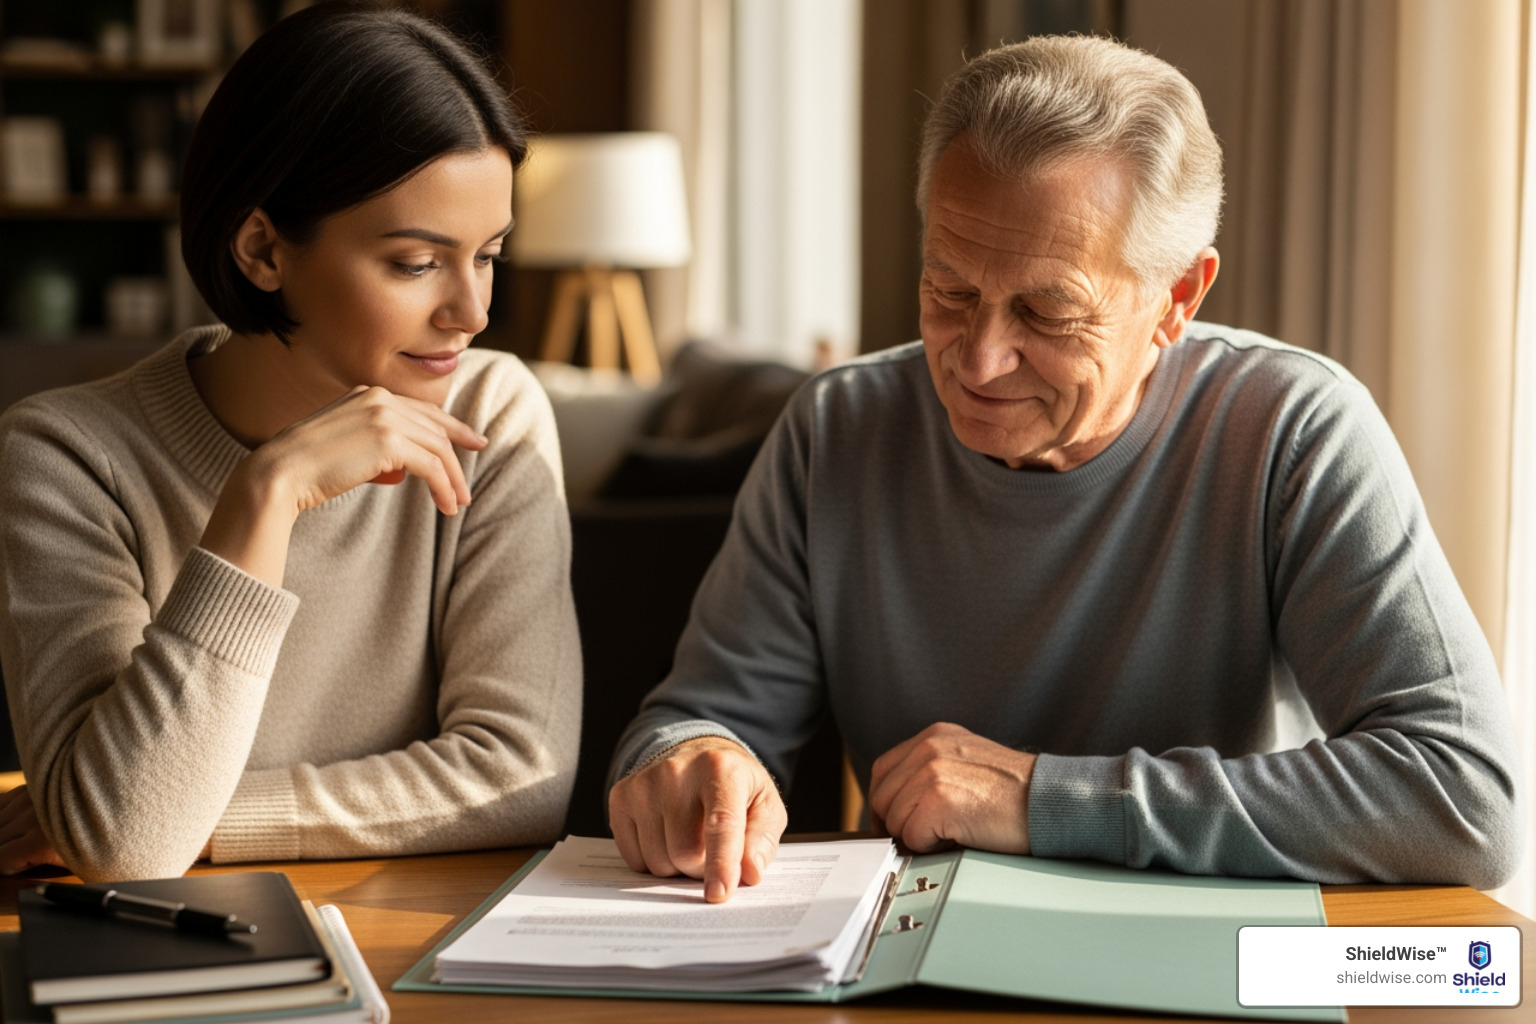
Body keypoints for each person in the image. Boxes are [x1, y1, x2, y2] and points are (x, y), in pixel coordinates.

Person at [608, 35, 1522, 903]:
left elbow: (1462, 797)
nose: (977, 360)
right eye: (948, 290)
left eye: (1047, 312)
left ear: (1176, 298)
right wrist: (689, 759)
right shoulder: (835, 426)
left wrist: (1041, 799)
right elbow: (696, 718)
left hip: (1200, 965)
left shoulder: (1290, 429)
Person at [0, 2, 580, 882]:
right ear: (263, 250)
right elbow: (126, 846)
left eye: (489, 254)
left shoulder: (493, 414)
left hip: (420, 947)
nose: (474, 312)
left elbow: (521, 776)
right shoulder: (65, 459)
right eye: (417, 263)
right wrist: (267, 496)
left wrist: (199, 817)